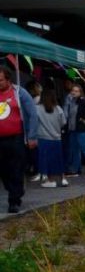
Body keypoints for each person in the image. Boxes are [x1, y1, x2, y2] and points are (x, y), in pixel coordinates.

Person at [0, 66, 38, 213]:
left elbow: (32, 114)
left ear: (8, 79)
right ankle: (15, 189)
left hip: (16, 138)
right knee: (3, 170)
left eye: (1, 80)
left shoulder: (19, 93)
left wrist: (32, 136)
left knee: (16, 169)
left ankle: (14, 200)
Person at [35, 86, 68, 189]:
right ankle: (63, 179)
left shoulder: (37, 108)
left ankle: (49, 180)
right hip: (57, 138)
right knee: (58, 159)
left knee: (45, 160)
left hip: (43, 138)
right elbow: (64, 122)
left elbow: (34, 122)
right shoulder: (58, 108)